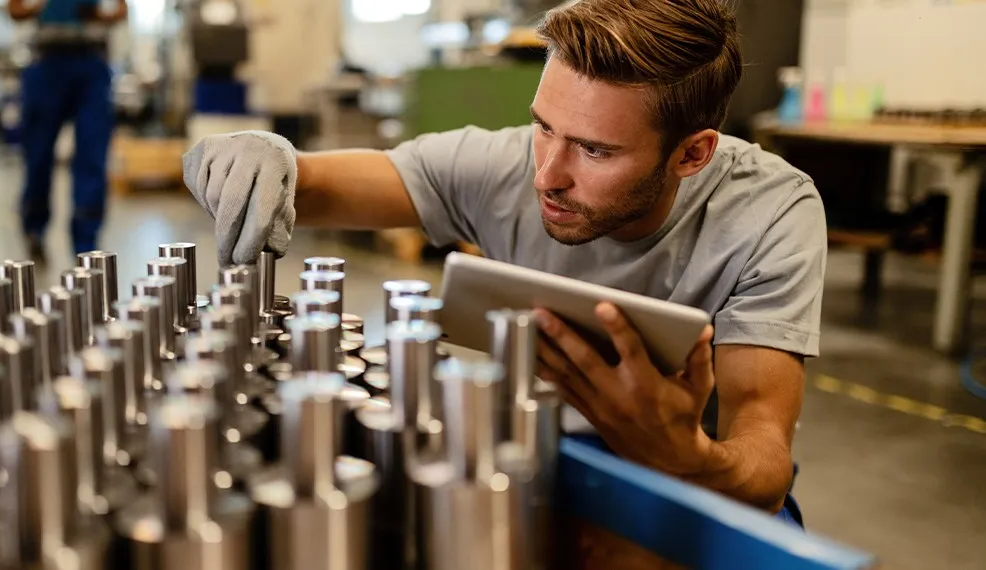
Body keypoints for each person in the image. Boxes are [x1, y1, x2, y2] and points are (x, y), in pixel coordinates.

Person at [183, 0, 825, 560]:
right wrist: (260, 156)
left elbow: (764, 460)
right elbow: (318, 183)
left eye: (595, 150)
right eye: (543, 126)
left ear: (692, 153)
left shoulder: (768, 212)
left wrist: (686, 456)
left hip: (695, 478)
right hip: (542, 451)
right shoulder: (501, 165)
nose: (547, 174)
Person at [8, 0, 128, 259]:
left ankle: (86, 242)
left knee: (92, 156)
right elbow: (14, 10)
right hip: (47, 65)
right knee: (38, 155)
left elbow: (121, 11)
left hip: (91, 66)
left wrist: (97, 14)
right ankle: (34, 228)